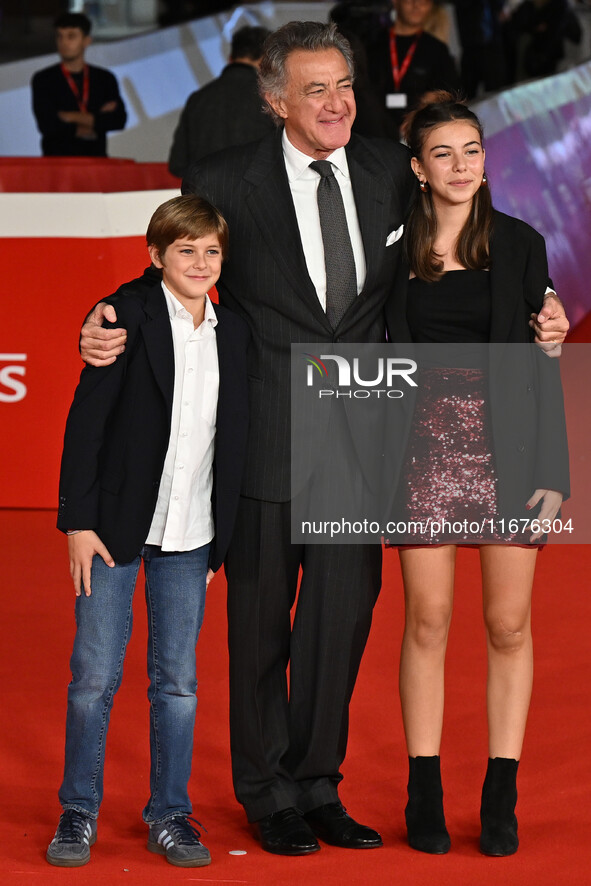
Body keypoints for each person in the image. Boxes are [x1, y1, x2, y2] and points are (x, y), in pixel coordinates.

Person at [77, 22, 569, 857]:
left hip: (365, 437)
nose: (337, 101)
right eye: (315, 89)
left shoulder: (387, 169)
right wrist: (106, 314)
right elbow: (176, 260)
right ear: (275, 102)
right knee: (261, 629)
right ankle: (266, 793)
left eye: (343, 84)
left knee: (336, 628)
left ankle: (318, 786)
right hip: (264, 432)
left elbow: (470, 244)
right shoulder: (227, 178)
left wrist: (541, 310)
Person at [384, 91, 569, 856]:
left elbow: (543, 360)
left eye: (470, 150)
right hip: (419, 447)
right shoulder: (390, 247)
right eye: (442, 154)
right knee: (426, 620)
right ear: (419, 169)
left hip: (511, 449)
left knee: (507, 624)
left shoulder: (521, 244)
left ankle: (501, 790)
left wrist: (555, 469)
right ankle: (421, 785)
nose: (460, 166)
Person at [47, 195, 249, 868]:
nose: (198, 262)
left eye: (210, 251)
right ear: (155, 254)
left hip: (192, 534)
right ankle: (78, 810)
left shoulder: (235, 328)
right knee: (93, 676)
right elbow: (86, 424)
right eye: (184, 249)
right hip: (111, 529)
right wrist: (77, 521)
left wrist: (224, 536)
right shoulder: (124, 314)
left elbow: (237, 435)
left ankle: (170, 814)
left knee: (178, 683)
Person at [168, 25, 274, 179]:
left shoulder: (198, 98)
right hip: (253, 196)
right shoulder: (271, 98)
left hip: (203, 197)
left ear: (230, 57)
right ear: (265, 59)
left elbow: (177, 163)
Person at [31, 12, 126, 157]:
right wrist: (95, 121)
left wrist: (70, 116)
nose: (64, 42)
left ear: (86, 40)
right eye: (59, 36)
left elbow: (118, 120)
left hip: (96, 161)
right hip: (57, 162)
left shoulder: (104, 78)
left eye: (71, 36)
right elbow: (48, 125)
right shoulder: (44, 79)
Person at [367, 0, 460, 136]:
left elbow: (454, 94)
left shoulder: (437, 49)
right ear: (395, 2)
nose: (417, 5)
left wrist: (434, 99)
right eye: (410, 0)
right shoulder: (372, 45)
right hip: (375, 130)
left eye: (424, 2)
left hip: (418, 131)